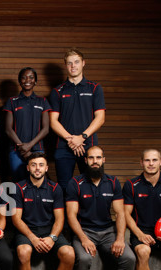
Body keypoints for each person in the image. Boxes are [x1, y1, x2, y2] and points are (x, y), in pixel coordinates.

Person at [65, 146, 135, 270]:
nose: (94, 161)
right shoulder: (75, 183)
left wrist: (120, 238)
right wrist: (83, 238)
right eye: (91, 158)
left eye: (98, 158)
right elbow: (71, 215)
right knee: (83, 258)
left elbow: (120, 213)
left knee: (129, 258)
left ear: (104, 160)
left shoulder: (113, 182)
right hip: (84, 231)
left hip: (108, 232)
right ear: (85, 160)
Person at [12, 152, 75, 270]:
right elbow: (16, 219)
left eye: (41, 165)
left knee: (69, 253)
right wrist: (32, 238)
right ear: (28, 168)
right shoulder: (18, 188)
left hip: (49, 231)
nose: (37, 168)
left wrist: (52, 237)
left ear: (46, 168)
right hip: (27, 231)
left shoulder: (55, 189)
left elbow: (60, 218)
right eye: (33, 165)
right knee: (24, 251)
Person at [49, 48, 106, 192]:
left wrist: (82, 137)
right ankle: (67, 216)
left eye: (76, 62)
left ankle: (88, 215)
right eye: (69, 63)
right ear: (66, 66)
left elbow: (100, 118)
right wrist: (71, 140)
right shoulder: (58, 91)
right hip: (64, 146)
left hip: (88, 144)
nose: (73, 66)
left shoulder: (95, 88)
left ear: (83, 63)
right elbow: (53, 121)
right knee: (64, 187)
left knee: (91, 184)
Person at [4, 67, 51, 182]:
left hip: (37, 150)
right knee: (18, 183)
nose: (27, 80)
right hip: (16, 151)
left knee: (38, 182)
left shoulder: (42, 101)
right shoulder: (12, 101)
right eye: (24, 78)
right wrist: (22, 147)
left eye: (31, 77)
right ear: (20, 81)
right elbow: (8, 129)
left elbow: (46, 129)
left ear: (35, 81)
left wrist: (29, 146)